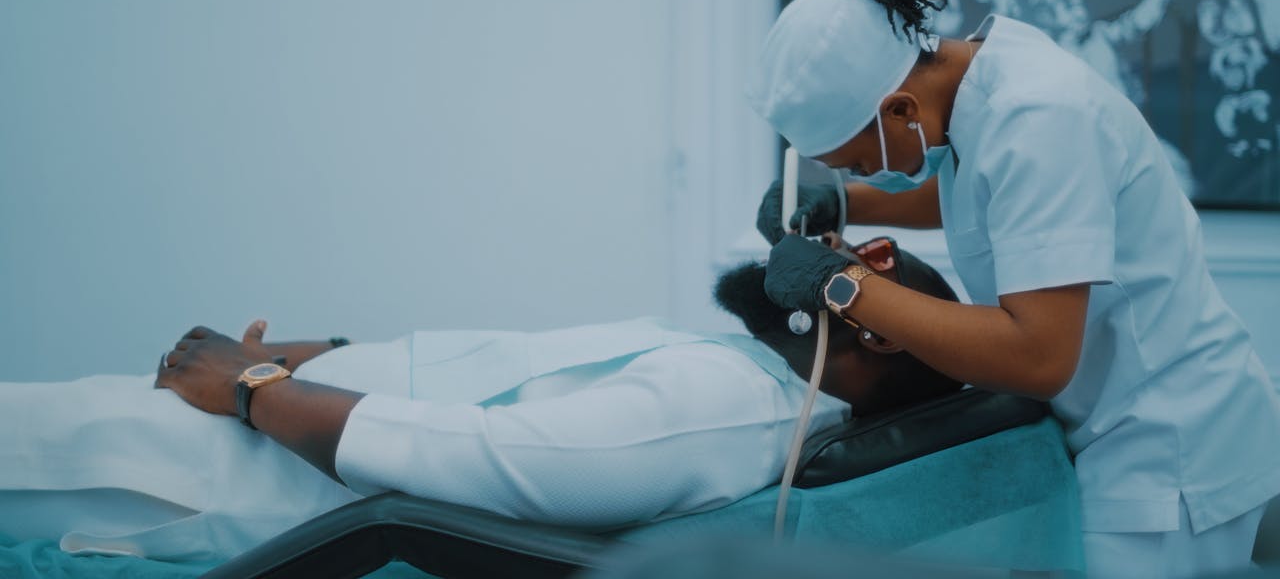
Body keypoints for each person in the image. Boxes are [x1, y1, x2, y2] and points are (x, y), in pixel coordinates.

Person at [747, 0, 1280, 578]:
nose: (868, 175)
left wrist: (839, 283)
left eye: (859, 166)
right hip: (1119, 422)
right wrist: (845, 202)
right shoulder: (980, 79)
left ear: (898, 112)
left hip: (1170, 441)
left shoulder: (1041, 118)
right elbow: (984, 186)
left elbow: (1039, 357)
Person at [0, 240, 959, 563]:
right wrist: (320, 356)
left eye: (867, 261)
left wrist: (254, 388)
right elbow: (487, 373)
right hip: (230, 433)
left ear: (871, 328)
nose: (825, 247)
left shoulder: (730, 407)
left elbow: (490, 462)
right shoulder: (732, 367)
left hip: (208, 477)